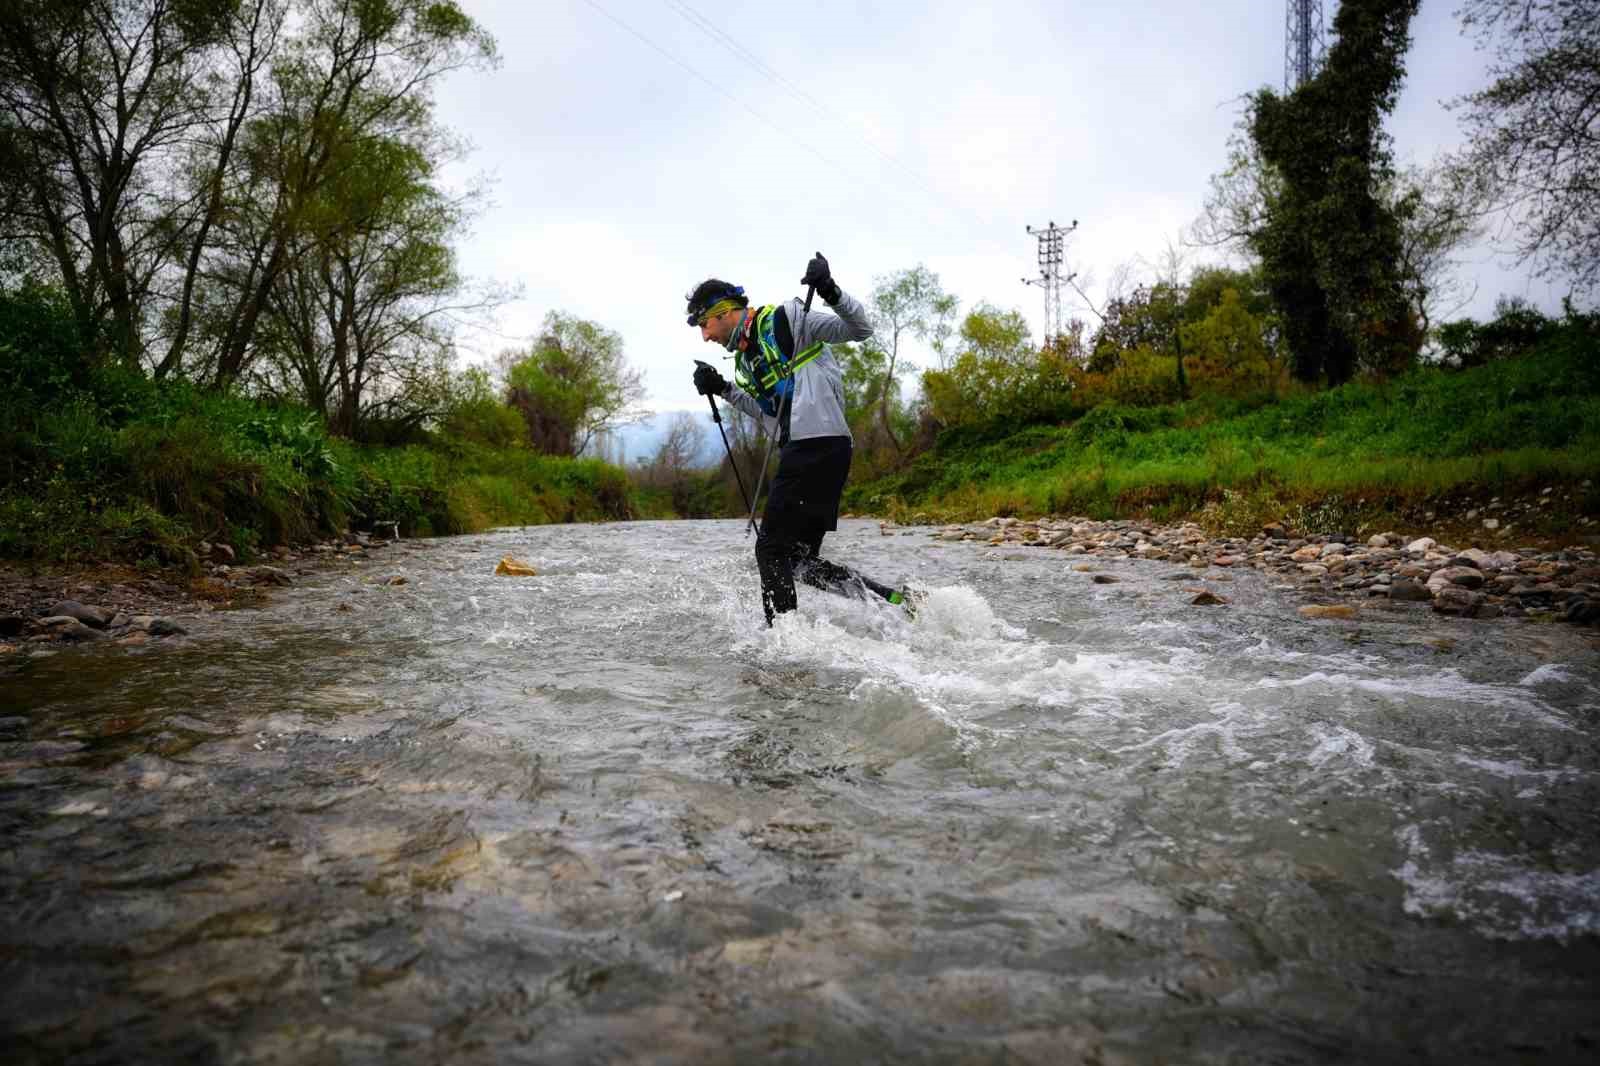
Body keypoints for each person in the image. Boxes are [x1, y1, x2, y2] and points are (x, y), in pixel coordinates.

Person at [687, 252, 912, 625]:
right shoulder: (744, 362)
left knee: (770, 550)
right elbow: (770, 417)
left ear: (725, 311)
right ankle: (896, 603)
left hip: (817, 445)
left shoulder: (785, 319)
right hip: (818, 451)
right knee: (796, 562)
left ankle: (783, 643)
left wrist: (829, 289)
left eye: (704, 324)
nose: (705, 335)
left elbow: (860, 330)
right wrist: (724, 388)